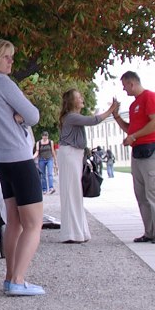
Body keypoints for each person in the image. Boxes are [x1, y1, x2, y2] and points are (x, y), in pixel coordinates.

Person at [0, 38, 45, 297]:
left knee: (13, 220)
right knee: (34, 223)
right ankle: (18, 279)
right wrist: (20, 116)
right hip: (19, 156)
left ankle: (10, 277)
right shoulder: (3, 83)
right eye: (6, 57)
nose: (11, 61)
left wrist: (15, 115)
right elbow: (34, 116)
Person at [113, 71, 155, 244]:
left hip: (152, 149)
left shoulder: (150, 97)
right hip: (138, 151)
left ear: (131, 83)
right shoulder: (134, 106)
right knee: (141, 194)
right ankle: (150, 231)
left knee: (154, 192)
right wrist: (117, 117)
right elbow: (130, 129)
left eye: (124, 85)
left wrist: (134, 137)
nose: (123, 89)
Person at [58, 89, 118, 243]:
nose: (82, 99)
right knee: (72, 193)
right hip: (70, 154)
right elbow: (94, 120)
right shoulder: (71, 117)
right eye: (79, 97)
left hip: (74, 154)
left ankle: (78, 231)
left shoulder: (71, 117)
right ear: (72, 101)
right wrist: (111, 110)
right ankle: (72, 232)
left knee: (75, 193)